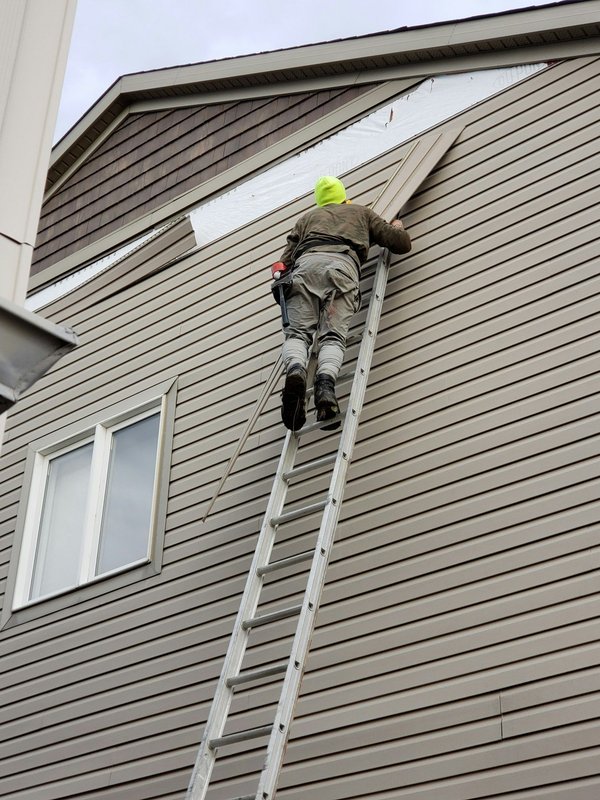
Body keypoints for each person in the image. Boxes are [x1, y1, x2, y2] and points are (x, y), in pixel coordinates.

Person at [271, 175, 411, 432]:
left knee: (298, 335)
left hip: (305, 270)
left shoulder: (306, 219)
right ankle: (325, 388)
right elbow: (400, 244)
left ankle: (296, 370)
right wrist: (398, 228)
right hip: (341, 270)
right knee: (332, 336)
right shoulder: (360, 213)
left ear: (319, 200)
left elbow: (283, 263)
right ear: (343, 195)